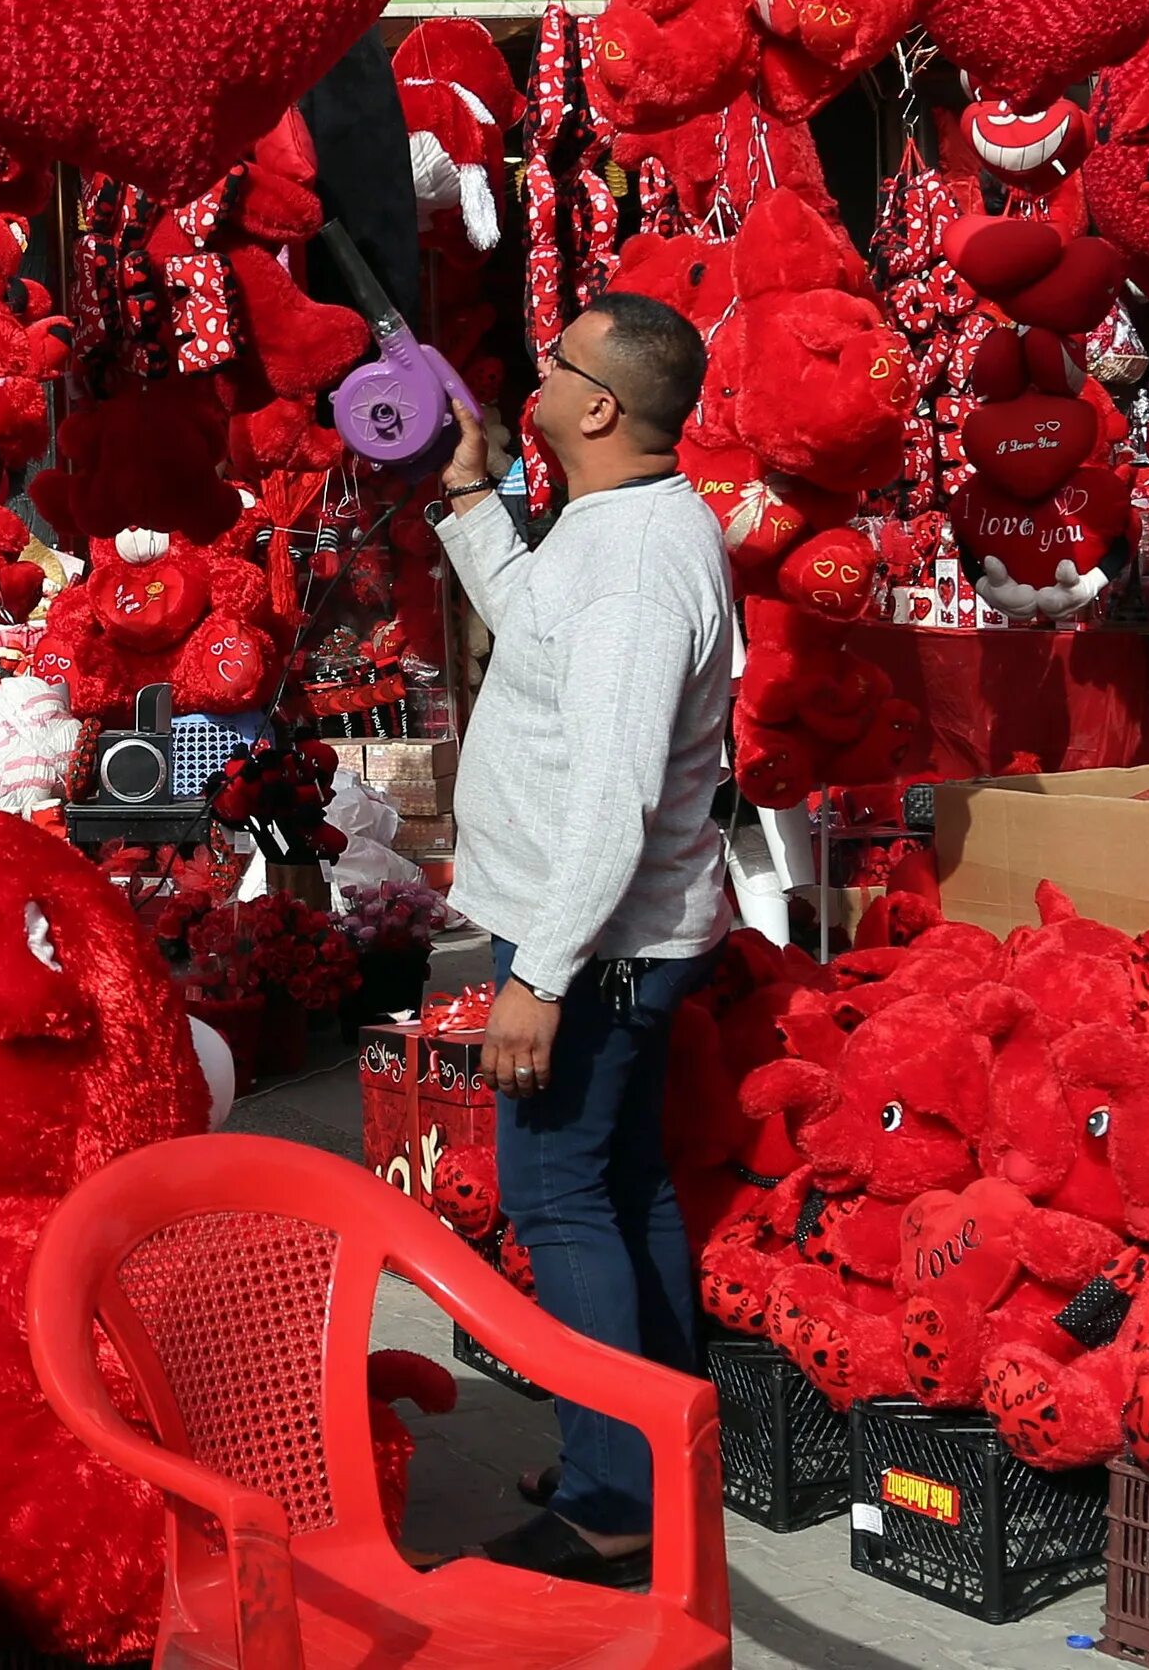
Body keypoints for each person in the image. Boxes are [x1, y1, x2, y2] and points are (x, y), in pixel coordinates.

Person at [429, 292, 734, 1587]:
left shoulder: (637, 567)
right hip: (603, 935)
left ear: (600, 405)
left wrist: (540, 979)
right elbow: (538, 630)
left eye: (554, 365)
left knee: (564, 1202)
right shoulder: (605, 531)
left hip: (594, 943)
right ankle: (656, 1455)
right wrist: (466, 500)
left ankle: (617, 1500)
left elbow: (614, 792)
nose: (532, 379)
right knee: (623, 1190)